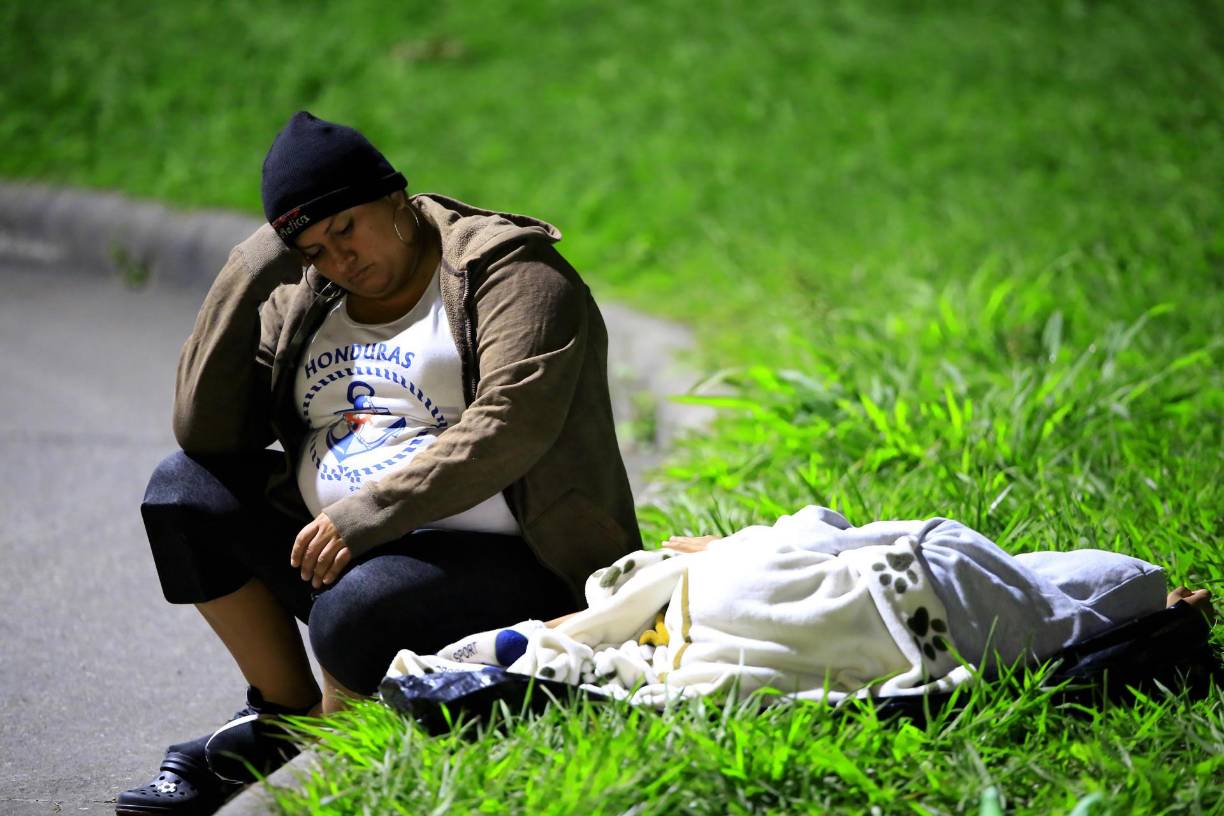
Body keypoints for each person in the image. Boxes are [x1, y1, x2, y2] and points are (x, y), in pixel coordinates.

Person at [118, 111, 641, 815]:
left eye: (346, 230)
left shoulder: (510, 271)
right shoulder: (309, 297)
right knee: (182, 494)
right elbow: (204, 433)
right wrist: (246, 274)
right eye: (311, 250)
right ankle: (285, 719)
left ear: (397, 199)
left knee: (357, 606)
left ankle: (325, 770)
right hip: (343, 549)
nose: (340, 260)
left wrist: (370, 514)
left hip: (517, 561)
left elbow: (512, 424)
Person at [391, 506, 1216, 708]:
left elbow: (821, 528)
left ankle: (534, 651)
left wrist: (735, 546)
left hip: (762, 599)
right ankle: (550, 658)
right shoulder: (1065, 598)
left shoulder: (1092, 584)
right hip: (898, 610)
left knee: (639, 645)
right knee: (647, 660)